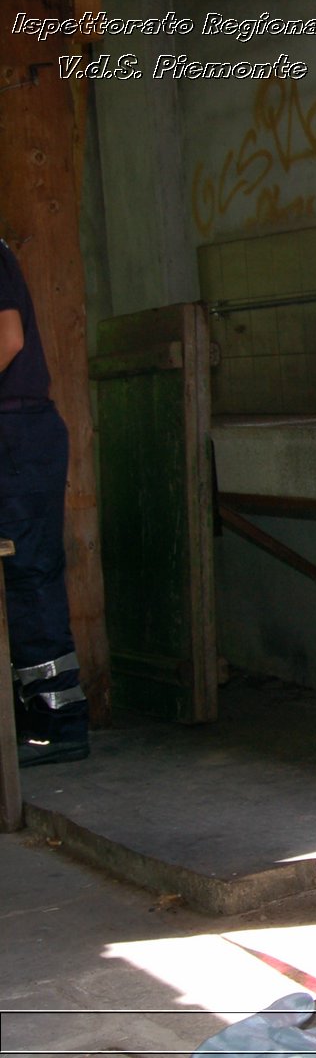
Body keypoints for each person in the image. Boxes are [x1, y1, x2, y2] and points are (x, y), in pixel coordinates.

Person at [0, 238, 88, 767]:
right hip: (15, 432)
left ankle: (58, 724)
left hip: (16, 432)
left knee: (28, 573)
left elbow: (6, 338)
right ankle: (35, 719)